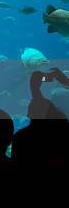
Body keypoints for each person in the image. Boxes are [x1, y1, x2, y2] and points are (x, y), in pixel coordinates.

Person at [12, 69, 69, 203]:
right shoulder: (65, 134)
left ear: (30, 115)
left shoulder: (23, 137)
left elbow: (35, 80)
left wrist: (45, 79)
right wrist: (64, 81)